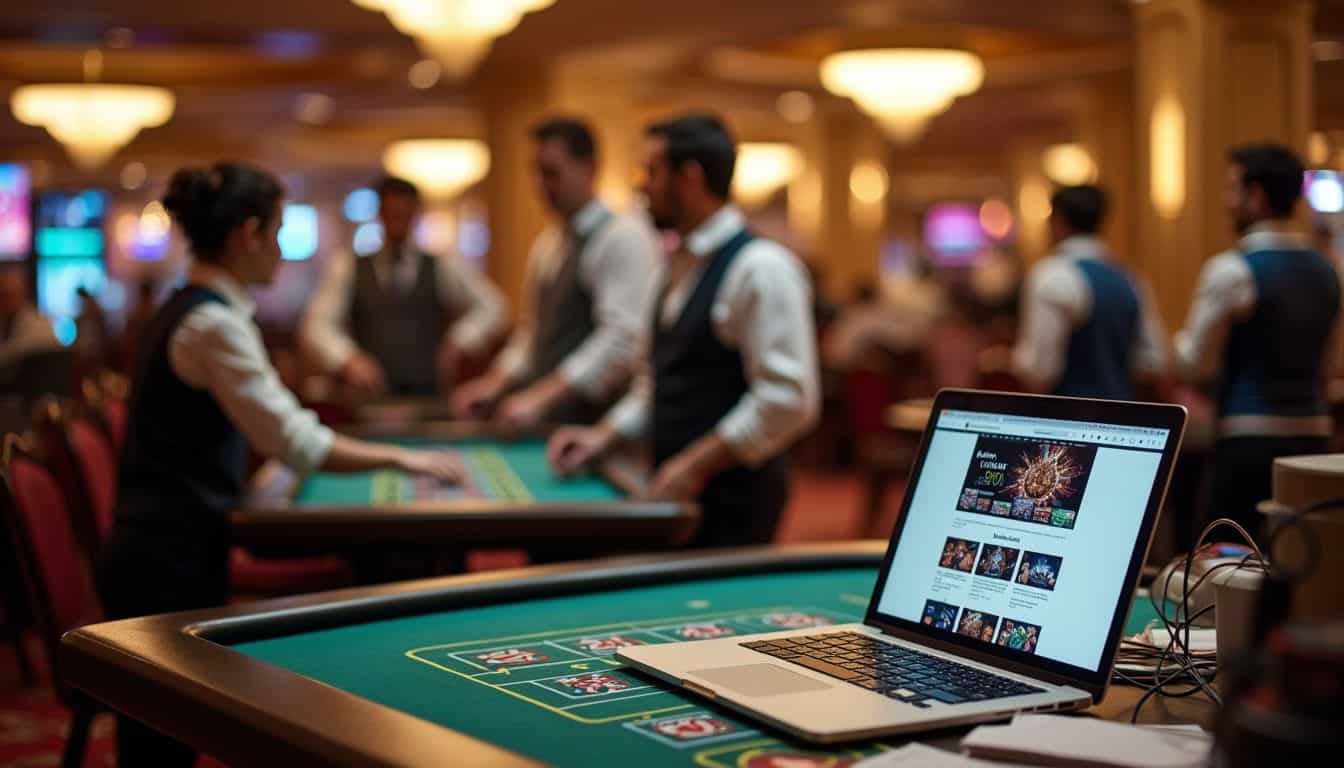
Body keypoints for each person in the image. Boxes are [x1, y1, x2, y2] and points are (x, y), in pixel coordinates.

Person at [96, 163, 467, 766]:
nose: (280, 250)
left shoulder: (198, 308)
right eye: (277, 233)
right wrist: (404, 456)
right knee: (158, 752)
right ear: (249, 235)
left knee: (163, 746)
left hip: (164, 548)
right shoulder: (211, 322)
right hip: (162, 559)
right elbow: (298, 442)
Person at [547, 113, 819, 548]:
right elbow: (660, 383)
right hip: (677, 498)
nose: (640, 185)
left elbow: (787, 400)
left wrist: (693, 465)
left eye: (651, 171)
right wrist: (604, 435)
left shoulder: (761, 267)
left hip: (735, 505)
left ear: (689, 177)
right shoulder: (673, 267)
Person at [1176, 143, 1343, 536]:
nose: (1226, 200)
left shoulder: (1231, 270)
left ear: (1257, 196)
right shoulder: (1328, 271)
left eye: (1233, 189)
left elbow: (1195, 362)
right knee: (1302, 555)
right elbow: (1331, 363)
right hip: (1316, 437)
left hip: (1247, 437)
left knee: (1230, 555)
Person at [453, 117, 660, 428]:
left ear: (589, 168)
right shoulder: (548, 243)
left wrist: (540, 397)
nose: (540, 185)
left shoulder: (622, 235)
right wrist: (494, 383)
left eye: (551, 173)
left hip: (595, 426)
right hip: (548, 422)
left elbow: (620, 342)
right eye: (535, 172)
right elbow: (533, 332)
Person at [299, 176, 508, 398]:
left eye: (403, 214)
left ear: (415, 214)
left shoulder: (442, 265)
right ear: (380, 214)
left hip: (430, 395)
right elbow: (315, 325)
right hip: (369, 397)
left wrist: (460, 341)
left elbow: (495, 307)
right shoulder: (348, 267)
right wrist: (348, 358)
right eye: (391, 214)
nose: (397, 221)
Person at [1012, 185, 1167, 399]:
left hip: (1068, 417)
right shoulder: (1130, 278)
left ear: (1058, 221)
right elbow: (1153, 360)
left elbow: (1040, 370)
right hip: (1122, 415)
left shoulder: (1052, 275)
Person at [0, 264, 58, 371]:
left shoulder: (39, 323)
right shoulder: (5, 321)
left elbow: (19, 353)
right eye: (2, 295)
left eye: (9, 294)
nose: (5, 301)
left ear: (22, 293)